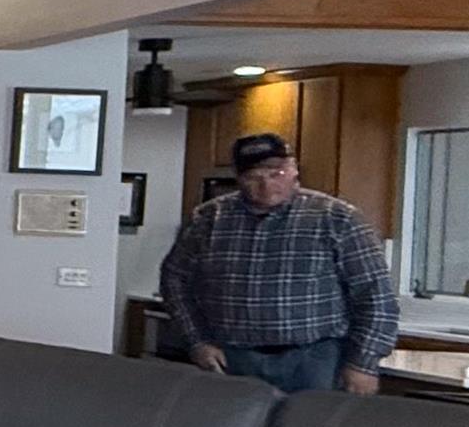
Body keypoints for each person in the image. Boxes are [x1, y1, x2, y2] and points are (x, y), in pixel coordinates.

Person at [157, 132, 397, 395]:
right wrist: (197, 341)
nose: (266, 185)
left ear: (294, 170)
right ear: (237, 178)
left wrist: (363, 364)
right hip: (232, 358)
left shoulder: (337, 219)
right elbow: (174, 280)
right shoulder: (208, 220)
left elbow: (376, 296)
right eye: (254, 177)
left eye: (276, 174)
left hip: (315, 360)